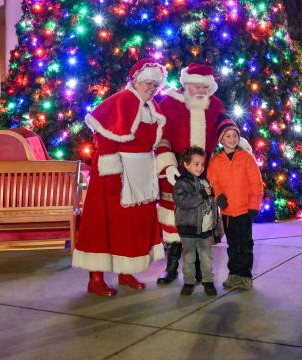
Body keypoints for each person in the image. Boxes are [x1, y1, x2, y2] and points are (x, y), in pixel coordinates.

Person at [72, 59, 167, 296]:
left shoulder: (152, 106)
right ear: (135, 80)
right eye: (147, 83)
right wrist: (112, 171)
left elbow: (155, 140)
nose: (151, 88)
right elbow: (104, 136)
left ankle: (126, 271)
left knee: (132, 225)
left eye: (155, 85)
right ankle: (95, 279)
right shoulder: (120, 101)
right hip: (115, 174)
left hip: (142, 173)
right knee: (103, 224)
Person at [155, 63, 252, 285]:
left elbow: (223, 126)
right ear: (185, 84)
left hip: (204, 170)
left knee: (200, 221)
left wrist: (238, 140)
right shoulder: (169, 104)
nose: (200, 91)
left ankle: (199, 267)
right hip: (176, 171)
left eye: (204, 87)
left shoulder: (214, 104)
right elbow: (161, 138)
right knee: (174, 220)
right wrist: (168, 165)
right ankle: (171, 267)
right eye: (195, 86)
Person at [207, 120, 263, 290]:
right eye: (228, 136)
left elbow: (256, 183)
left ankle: (245, 275)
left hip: (245, 211)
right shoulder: (216, 161)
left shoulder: (246, 158)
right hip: (228, 213)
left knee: (245, 245)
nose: (232, 139)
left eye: (235, 136)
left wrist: (254, 205)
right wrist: (219, 196)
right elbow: (213, 182)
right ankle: (234, 274)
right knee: (233, 246)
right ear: (221, 140)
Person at [173, 146, 221, 296]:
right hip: (188, 229)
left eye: (202, 164)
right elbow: (183, 202)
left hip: (205, 230)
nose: (200, 167)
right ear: (186, 164)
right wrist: (201, 195)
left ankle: (208, 281)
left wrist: (216, 226)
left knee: (206, 257)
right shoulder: (182, 183)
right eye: (196, 164)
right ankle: (188, 282)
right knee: (189, 257)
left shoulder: (206, 182)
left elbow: (212, 205)